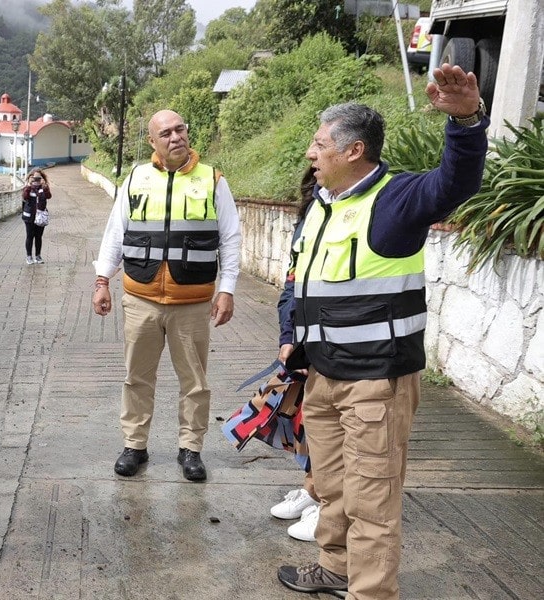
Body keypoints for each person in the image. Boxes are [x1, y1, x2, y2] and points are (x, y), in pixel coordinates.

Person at [276, 64, 488, 599]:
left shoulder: (398, 198)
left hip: (376, 383)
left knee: (372, 500)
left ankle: (370, 592)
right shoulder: (322, 206)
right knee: (331, 487)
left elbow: (456, 182)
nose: (310, 152)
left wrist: (466, 123)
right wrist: (289, 334)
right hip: (322, 376)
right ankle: (335, 568)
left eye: (319, 144)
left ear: (354, 151)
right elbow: (298, 278)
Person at [92, 109, 241, 482]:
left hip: (192, 303)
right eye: (166, 133)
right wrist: (101, 280)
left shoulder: (213, 180)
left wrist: (227, 289)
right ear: (152, 141)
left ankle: (191, 449)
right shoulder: (136, 178)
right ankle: (134, 446)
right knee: (136, 378)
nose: (176, 137)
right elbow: (115, 231)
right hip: (140, 298)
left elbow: (230, 238)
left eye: (180, 129)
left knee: (195, 382)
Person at [269, 167, 319, 542]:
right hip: (302, 340)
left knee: (329, 430)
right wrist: (288, 336)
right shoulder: (309, 218)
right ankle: (313, 489)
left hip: (338, 346)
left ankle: (328, 502)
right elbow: (293, 280)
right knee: (307, 422)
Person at [21, 169, 51, 265]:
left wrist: (44, 186)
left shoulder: (44, 187)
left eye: (39, 178)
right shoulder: (27, 186)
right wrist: (29, 185)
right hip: (29, 216)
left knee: (38, 237)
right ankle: (29, 256)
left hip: (40, 216)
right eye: (35, 178)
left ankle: (38, 256)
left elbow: (48, 196)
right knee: (30, 236)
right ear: (31, 177)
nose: (37, 180)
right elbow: (25, 197)